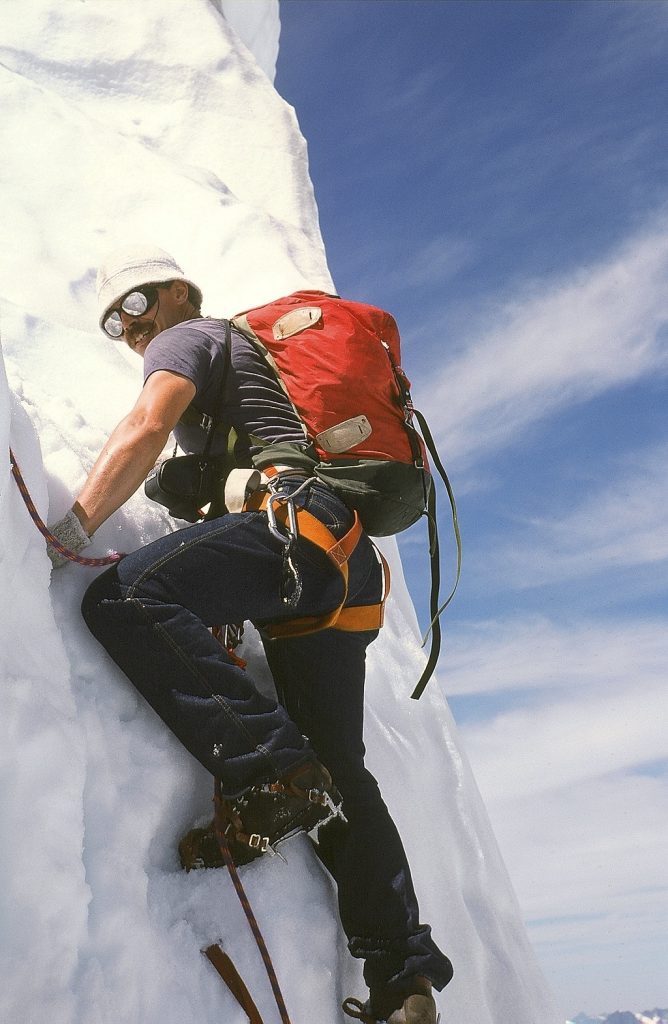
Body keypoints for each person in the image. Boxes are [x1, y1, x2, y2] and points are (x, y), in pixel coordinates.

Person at [48, 244, 453, 1023]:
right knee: (340, 766)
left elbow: (145, 421)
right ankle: (403, 976)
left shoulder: (190, 336)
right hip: (344, 570)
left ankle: (272, 775)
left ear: (174, 293)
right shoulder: (247, 375)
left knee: (123, 599)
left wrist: (69, 527)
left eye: (134, 308)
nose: (130, 332)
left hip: (295, 533)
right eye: (113, 324)